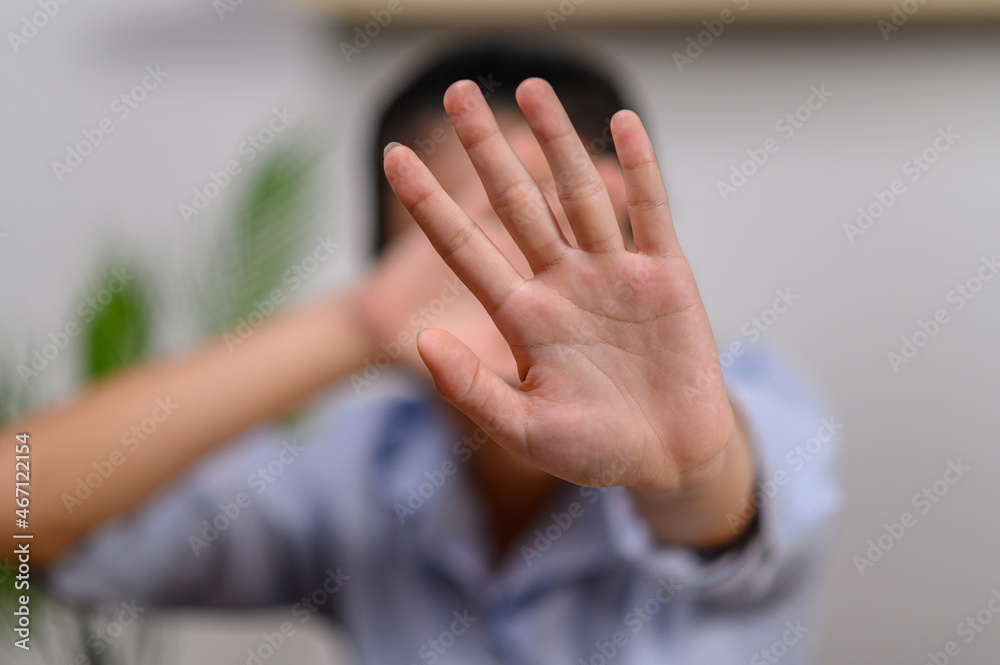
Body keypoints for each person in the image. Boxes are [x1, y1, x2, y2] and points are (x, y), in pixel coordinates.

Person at [3, 42, 841, 664]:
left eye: (557, 233)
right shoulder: (358, 470)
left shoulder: (758, 402)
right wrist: (354, 327)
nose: (530, 294)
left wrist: (693, 470)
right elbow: (21, 503)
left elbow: (724, 508)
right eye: (468, 241)